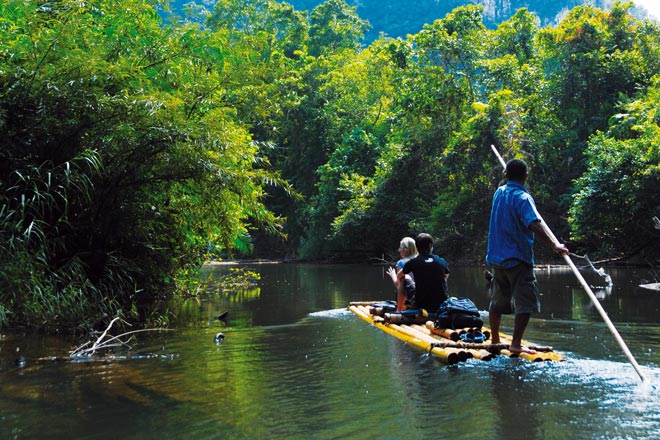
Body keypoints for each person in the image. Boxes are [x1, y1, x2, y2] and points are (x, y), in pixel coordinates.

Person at [486, 158, 569, 354]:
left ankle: (496, 340)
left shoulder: (499, 193)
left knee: (497, 301)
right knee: (525, 302)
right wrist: (555, 245)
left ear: (506, 175)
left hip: (497, 259)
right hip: (517, 259)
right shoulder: (523, 198)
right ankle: (515, 344)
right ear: (526, 176)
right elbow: (534, 223)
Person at [397, 233, 449, 312]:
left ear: (417, 247)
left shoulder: (414, 262)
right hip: (441, 304)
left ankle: (399, 309)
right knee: (443, 277)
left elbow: (399, 276)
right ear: (431, 246)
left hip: (421, 304)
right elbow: (446, 276)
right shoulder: (441, 261)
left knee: (404, 278)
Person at [386, 237, 418, 308]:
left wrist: (393, 276)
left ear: (406, 250)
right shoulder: (420, 260)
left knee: (397, 291)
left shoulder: (401, 263)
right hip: (421, 297)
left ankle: (400, 309)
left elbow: (399, 285)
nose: (398, 250)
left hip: (409, 300)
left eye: (400, 248)